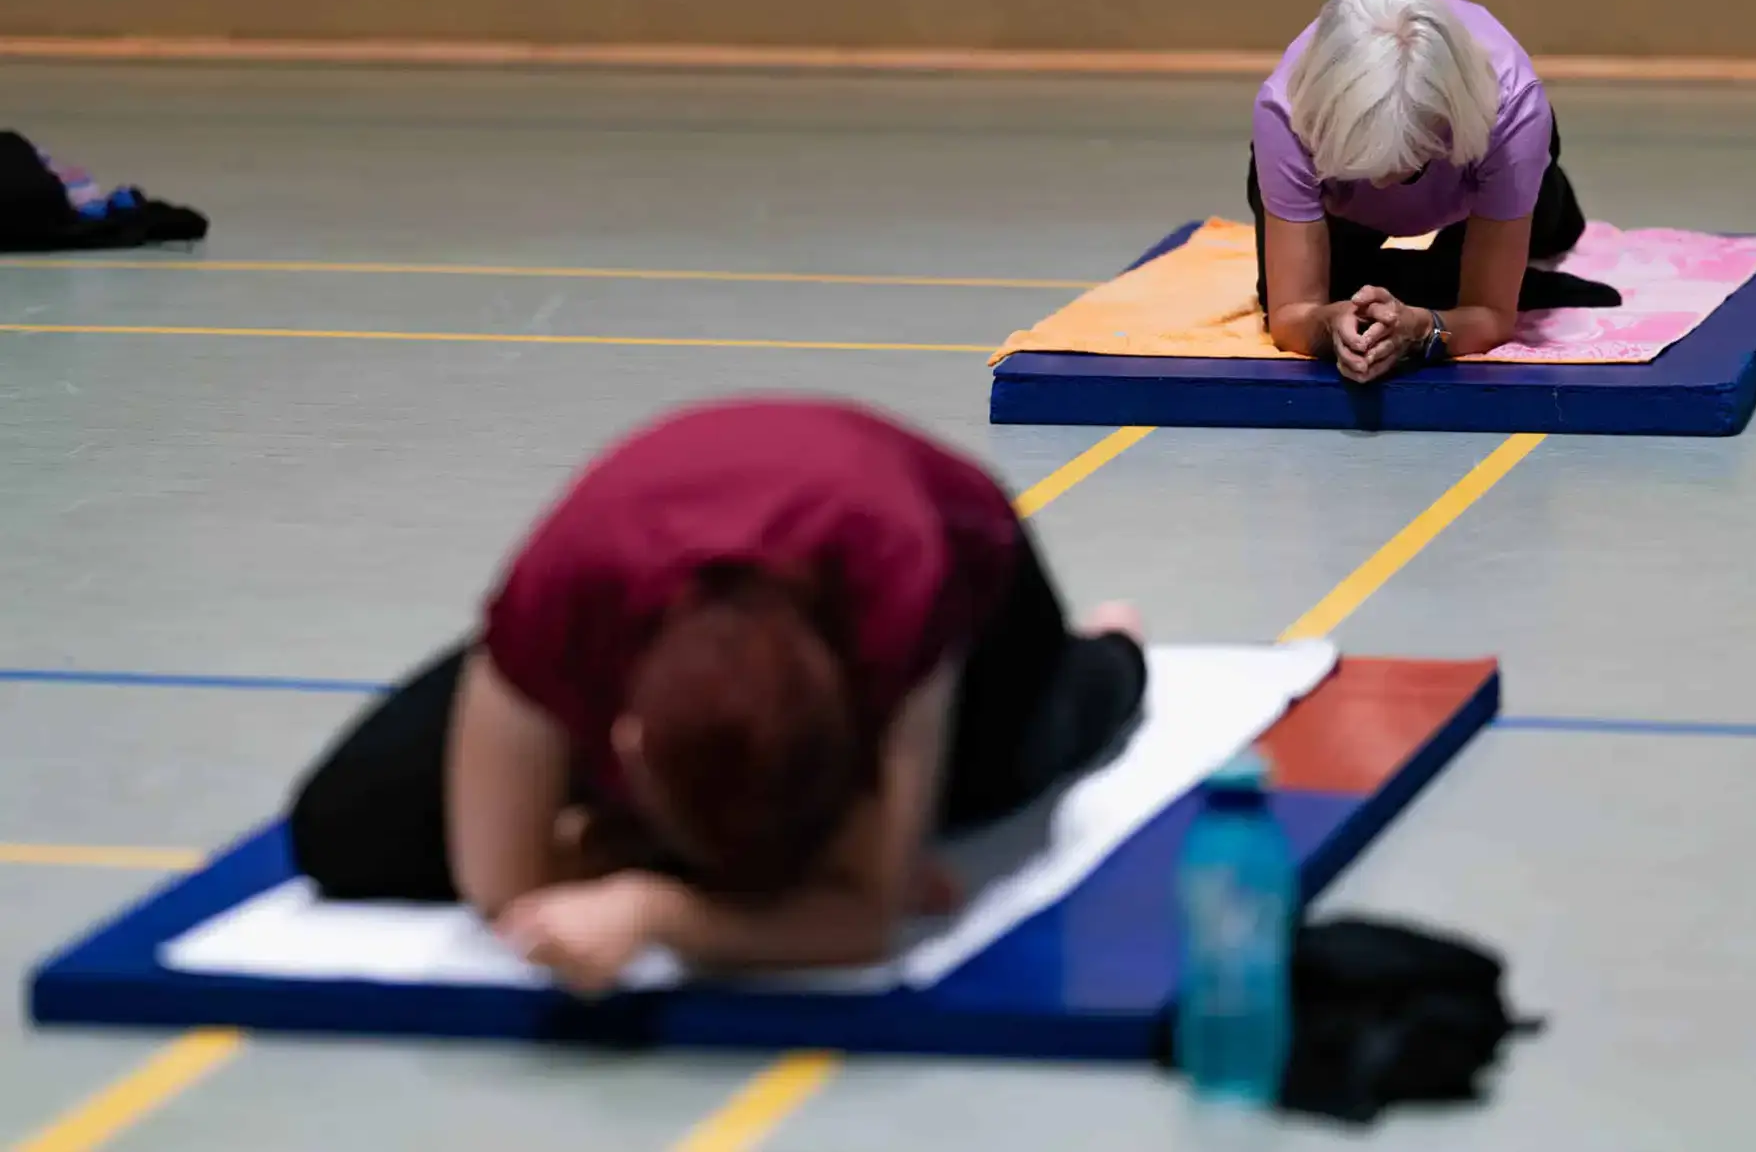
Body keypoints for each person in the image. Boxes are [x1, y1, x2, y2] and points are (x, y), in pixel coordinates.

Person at [285, 397, 1147, 994]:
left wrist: (658, 909)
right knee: (351, 830)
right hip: (654, 556)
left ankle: (1111, 653)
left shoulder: (901, 599)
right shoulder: (562, 595)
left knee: (995, 779)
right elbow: (501, 888)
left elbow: (862, 918)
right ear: (616, 741)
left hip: (968, 567)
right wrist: (780, 895)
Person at [1250, 0, 1620, 383]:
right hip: (1342, 203)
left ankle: (1528, 210)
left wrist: (1426, 329)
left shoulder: (1512, 107)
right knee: (1345, 302)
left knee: (1545, 229)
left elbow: (1491, 314)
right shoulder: (1286, 113)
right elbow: (1291, 315)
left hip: (1475, 174)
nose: (1386, 182)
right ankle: (1434, 273)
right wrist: (1326, 325)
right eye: (1364, 163)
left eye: (1411, 158)